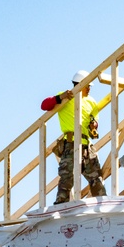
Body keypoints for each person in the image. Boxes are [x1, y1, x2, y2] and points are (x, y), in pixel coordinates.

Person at [41, 70, 110, 203]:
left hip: (86, 145)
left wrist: (94, 125)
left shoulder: (91, 102)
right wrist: (60, 98)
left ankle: (102, 204)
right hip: (71, 144)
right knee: (67, 178)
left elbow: (94, 121)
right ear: (80, 84)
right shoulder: (67, 97)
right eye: (87, 85)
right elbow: (44, 105)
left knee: (96, 178)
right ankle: (61, 206)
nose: (89, 88)